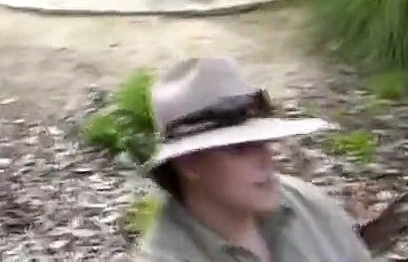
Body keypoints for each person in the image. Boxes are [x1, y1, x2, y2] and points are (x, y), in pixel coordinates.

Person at [137, 57, 372, 261]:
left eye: (263, 141)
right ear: (188, 163)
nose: (266, 159)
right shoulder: (168, 256)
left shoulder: (309, 207)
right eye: (240, 148)